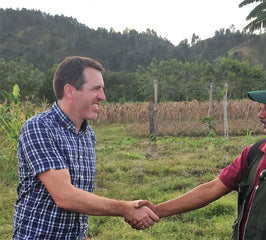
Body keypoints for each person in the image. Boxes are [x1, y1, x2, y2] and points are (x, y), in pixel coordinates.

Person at [133, 75, 266, 239]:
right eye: (262, 107)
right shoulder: (254, 153)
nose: (260, 114)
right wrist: (157, 210)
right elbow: (213, 188)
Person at [13, 56, 159, 239]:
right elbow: (65, 196)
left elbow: (80, 198)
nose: (103, 97)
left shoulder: (87, 135)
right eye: (96, 89)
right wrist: (124, 208)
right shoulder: (39, 128)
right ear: (70, 91)